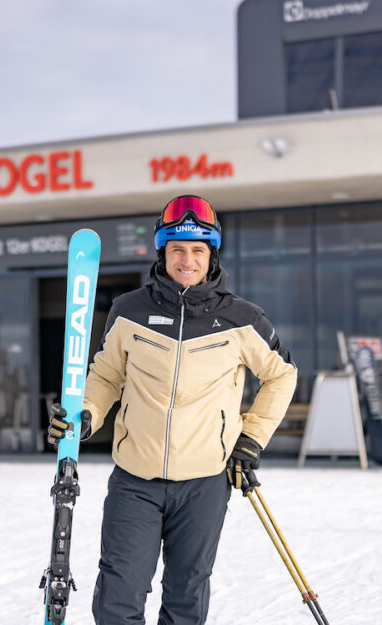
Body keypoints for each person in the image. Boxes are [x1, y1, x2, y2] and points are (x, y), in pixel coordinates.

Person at [48, 194, 298, 625]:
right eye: (177, 249)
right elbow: (106, 376)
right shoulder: (129, 311)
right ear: (162, 252)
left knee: (186, 598)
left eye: (198, 250)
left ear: (210, 254)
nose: (187, 260)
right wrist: (84, 415)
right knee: (118, 596)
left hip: (204, 482)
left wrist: (250, 440)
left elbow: (283, 375)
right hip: (135, 480)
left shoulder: (242, 318)